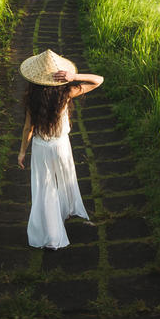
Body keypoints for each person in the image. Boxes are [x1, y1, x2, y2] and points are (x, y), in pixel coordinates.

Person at [17, 49, 104, 249]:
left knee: (44, 189)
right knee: (64, 181)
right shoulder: (66, 93)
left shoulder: (32, 99)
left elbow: (27, 129)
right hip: (61, 146)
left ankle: (51, 233)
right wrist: (74, 77)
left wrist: (22, 152)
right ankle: (63, 214)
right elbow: (98, 80)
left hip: (40, 148)